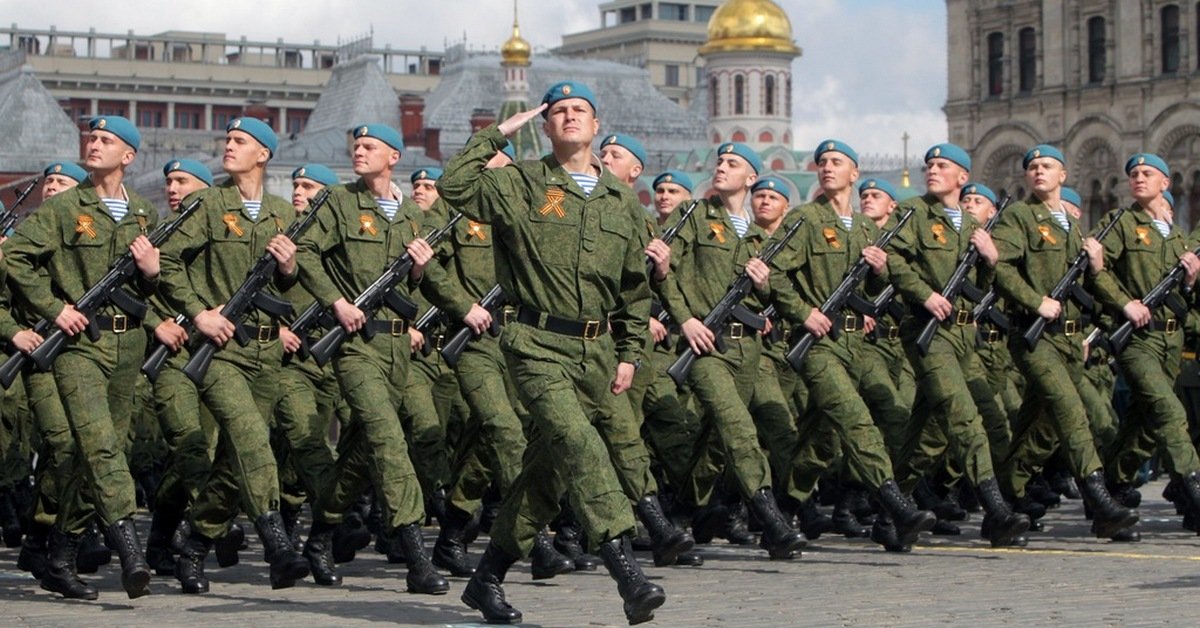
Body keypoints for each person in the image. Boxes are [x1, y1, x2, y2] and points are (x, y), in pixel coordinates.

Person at [439, 81, 665, 625]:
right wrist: (497, 132)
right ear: (545, 126)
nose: (568, 117)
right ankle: (627, 574)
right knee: (582, 448)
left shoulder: (621, 201)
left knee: (546, 474)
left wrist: (631, 353)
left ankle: (485, 579)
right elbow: (453, 185)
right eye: (557, 111)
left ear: (594, 124)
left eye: (578, 110)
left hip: (597, 353)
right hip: (535, 346)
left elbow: (635, 288)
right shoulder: (520, 183)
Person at [5, 116, 160, 599]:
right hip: (77, 347)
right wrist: (55, 308)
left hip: (128, 344)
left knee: (90, 454)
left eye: (106, 140)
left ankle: (61, 553)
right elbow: (15, 259)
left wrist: (152, 272)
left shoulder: (143, 215)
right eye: (92, 138)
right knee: (100, 447)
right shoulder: (64, 207)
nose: (94, 145)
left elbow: (151, 287)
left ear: (128, 156)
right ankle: (131, 550)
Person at [293, 123, 449, 595]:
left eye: (369, 146)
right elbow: (305, 251)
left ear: (394, 156)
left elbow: (426, 283)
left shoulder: (412, 216)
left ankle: (320, 536)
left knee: (361, 454)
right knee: (387, 439)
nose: (358, 152)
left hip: (399, 348)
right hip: (355, 346)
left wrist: (421, 269)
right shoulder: (339, 202)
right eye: (355, 146)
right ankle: (417, 557)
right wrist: (335, 302)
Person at [158, 117, 310, 593]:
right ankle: (277, 544)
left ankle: (193, 546)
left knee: (232, 464)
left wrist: (288, 267)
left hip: (266, 352)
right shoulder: (208, 203)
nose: (229, 146)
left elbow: (292, 285)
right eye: (227, 139)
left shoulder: (284, 213)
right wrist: (198, 313)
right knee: (250, 437)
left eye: (240, 141)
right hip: (220, 351)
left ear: (263, 154)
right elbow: (165, 261)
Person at [770, 141, 936, 550]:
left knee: (823, 438)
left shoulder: (866, 228)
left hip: (855, 343)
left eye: (836, 162)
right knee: (854, 420)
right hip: (818, 343)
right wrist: (802, 311)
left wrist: (880, 273)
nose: (826, 168)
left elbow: (879, 290)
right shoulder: (806, 219)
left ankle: (783, 511)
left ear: (854, 173)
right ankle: (895, 506)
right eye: (822, 162)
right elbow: (772, 272)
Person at [655, 141, 807, 560]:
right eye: (720, 162)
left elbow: (783, 294)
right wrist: (685, 320)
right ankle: (771, 520)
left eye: (733, 163)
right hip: (705, 346)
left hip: (748, 349)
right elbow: (665, 271)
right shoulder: (695, 217)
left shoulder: (763, 238)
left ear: (751, 177)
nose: (721, 167)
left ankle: (682, 512)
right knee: (738, 427)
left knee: (715, 441)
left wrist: (766, 284)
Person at [887, 143, 1031, 547]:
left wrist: (990, 261)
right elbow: (894, 260)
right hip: (928, 333)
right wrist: (923, 293)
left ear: (962, 177)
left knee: (928, 431)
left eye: (942, 166)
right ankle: (997, 511)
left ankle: (891, 508)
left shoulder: (972, 227)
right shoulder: (913, 212)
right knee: (964, 419)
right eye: (929, 165)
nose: (932, 170)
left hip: (964, 338)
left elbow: (982, 291)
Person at [992, 145, 1138, 541]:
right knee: (1073, 415)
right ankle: (1100, 501)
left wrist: (1110, 282)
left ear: (1064, 175)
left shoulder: (1071, 228)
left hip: (1070, 343)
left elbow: (1092, 284)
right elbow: (1000, 267)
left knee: (1039, 430)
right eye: (1033, 167)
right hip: (1035, 339)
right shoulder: (1020, 216)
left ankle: (1002, 501)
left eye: (1047, 166)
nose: (1038, 172)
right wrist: (1034, 300)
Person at [1089, 153, 1200, 531]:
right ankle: (1194, 489)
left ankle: (1111, 487)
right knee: (1169, 411)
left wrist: (1188, 282)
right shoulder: (1119, 223)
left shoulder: (1177, 235)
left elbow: (1186, 299)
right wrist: (1124, 303)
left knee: (1145, 423)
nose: (1138, 178)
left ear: (1165, 183)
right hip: (1137, 340)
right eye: (1133, 174)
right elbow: (1097, 273)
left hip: (1172, 339)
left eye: (1147, 173)